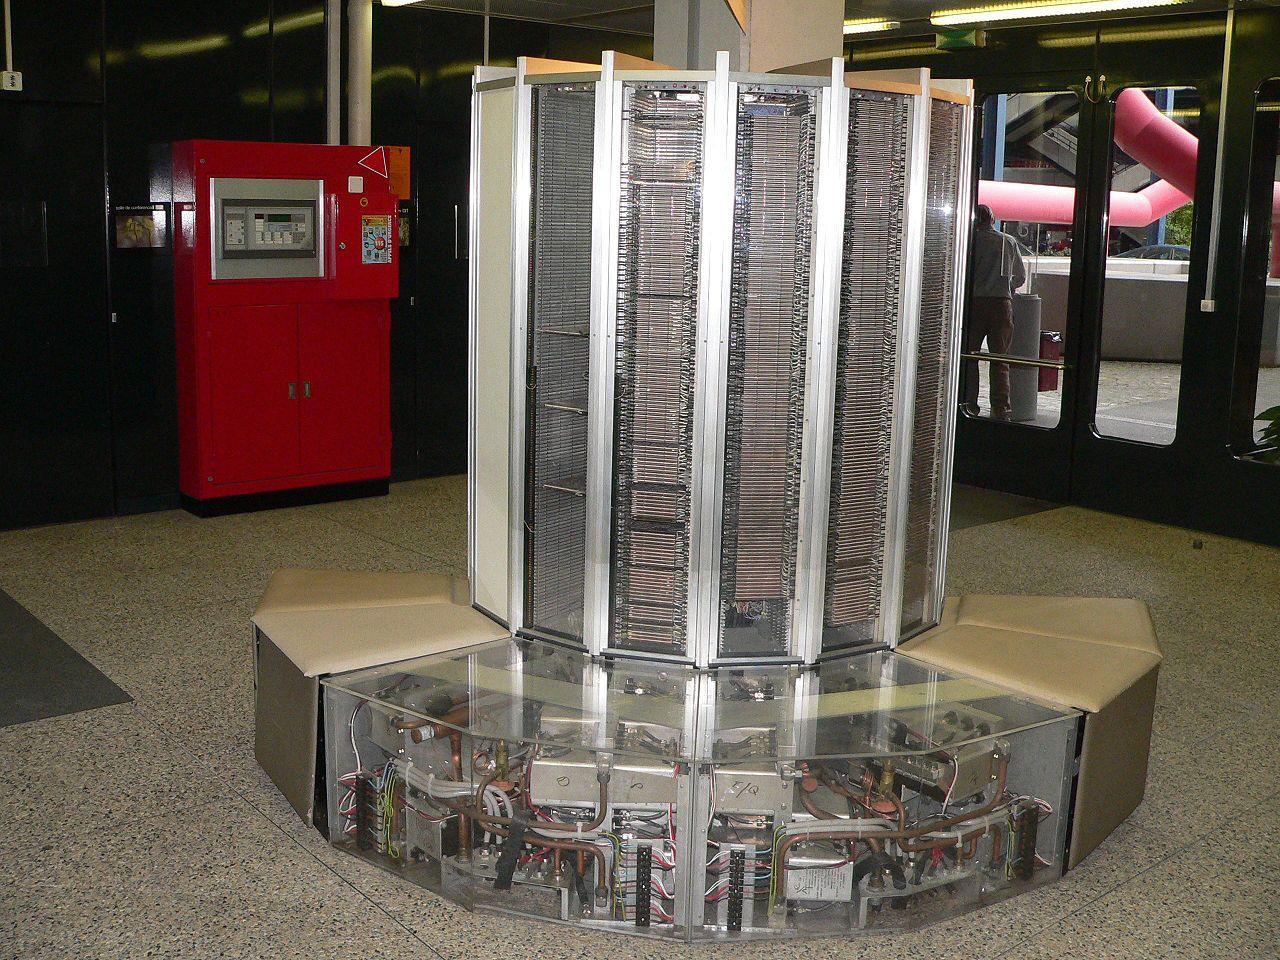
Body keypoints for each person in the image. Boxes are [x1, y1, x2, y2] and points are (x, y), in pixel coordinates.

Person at [963, 205, 1027, 421]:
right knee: (1000, 359)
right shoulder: (1007, 241)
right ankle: (1001, 409)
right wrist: (1007, 288)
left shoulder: (969, 241)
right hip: (1001, 304)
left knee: (969, 356)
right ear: (992, 219)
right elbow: (1020, 276)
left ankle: (969, 403)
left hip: (974, 304)